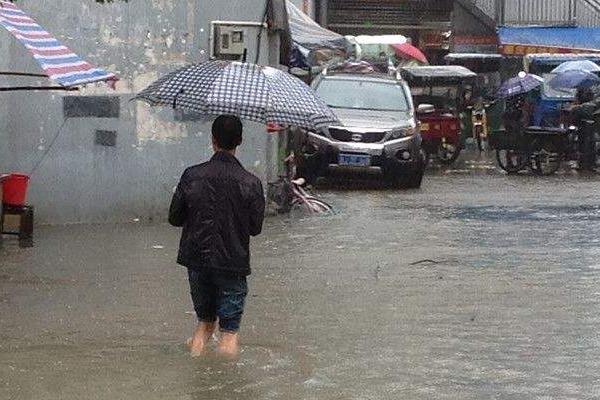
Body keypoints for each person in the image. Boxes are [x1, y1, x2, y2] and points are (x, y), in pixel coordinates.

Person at [169, 115, 266, 358]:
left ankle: (197, 369)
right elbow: (255, 228)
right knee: (229, 331)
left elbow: (174, 218)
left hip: (197, 261)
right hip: (232, 263)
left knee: (204, 323)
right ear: (240, 141)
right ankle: (226, 382)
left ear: (213, 140)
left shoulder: (191, 175)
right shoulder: (251, 183)